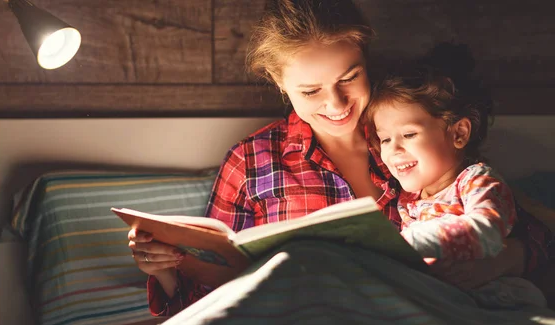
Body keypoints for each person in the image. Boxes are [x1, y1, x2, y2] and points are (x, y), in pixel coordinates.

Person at [127, 0, 554, 316]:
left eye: (350, 78)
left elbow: (522, 230)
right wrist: (166, 270)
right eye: (310, 91)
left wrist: (506, 259)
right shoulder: (253, 161)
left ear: (366, 63)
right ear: (279, 83)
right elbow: (212, 301)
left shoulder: (405, 135)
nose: (336, 104)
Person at [364, 64, 548, 307]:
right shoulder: (407, 200)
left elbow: (488, 230)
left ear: (458, 134)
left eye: (409, 134)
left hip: (494, 293)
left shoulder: (477, 180)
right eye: (385, 139)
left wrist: (413, 241)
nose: (393, 149)